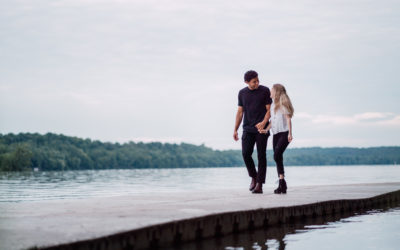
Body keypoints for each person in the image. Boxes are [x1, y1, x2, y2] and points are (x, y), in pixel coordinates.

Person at [233, 70, 272, 194]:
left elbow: (269, 110)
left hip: (262, 129)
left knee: (261, 156)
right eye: (254, 81)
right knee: (245, 154)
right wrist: (235, 129)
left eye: (258, 80)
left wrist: (263, 122)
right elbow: (240, 112)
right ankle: (254, 177)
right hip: (247, 129)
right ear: (246, 82)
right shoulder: (242, 93)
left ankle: (260, 184)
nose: (257, 83)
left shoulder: (265, 91)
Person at [258, 83, 294, 194]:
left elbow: (288, 119)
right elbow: (272, 121)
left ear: (276, 92)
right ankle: (281, 182)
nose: (270, 91)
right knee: (278, 158)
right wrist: (266, 129)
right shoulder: (273, 105)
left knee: (277, 155)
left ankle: (282, 183)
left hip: (284, 133)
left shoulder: (282, 104)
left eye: (272, 90)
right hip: (276, 134)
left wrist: (290, 134)